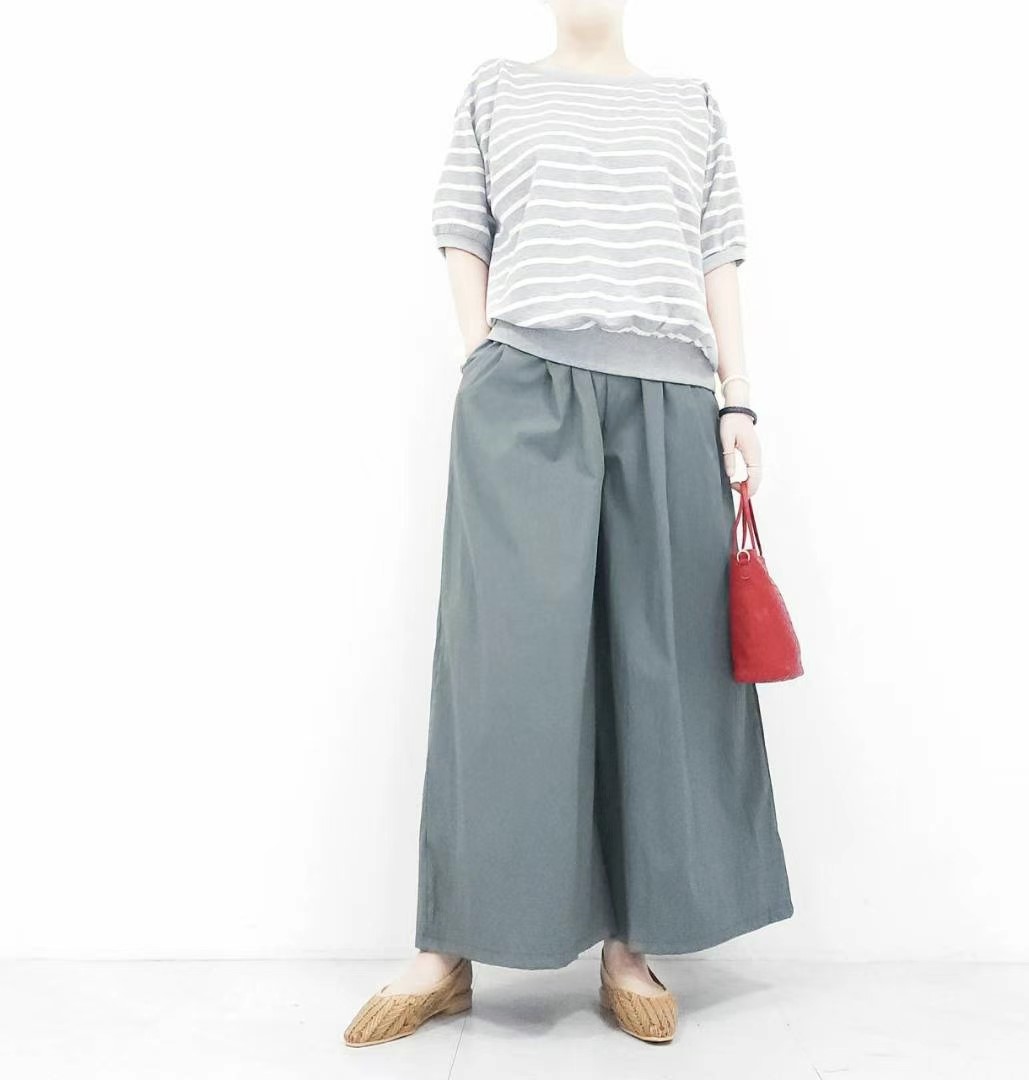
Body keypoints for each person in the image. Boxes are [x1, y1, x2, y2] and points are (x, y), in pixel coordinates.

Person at [344, 0, 791, 1047]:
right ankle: (448, 945)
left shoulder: (692, 105)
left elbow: (718, 256)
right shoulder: (496, 87)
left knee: (658, 671)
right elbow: (463, 230)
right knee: (503, 672)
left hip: (669, 400)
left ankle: (630, 944)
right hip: (526, 388)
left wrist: (737, 400)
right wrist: (480, 360)